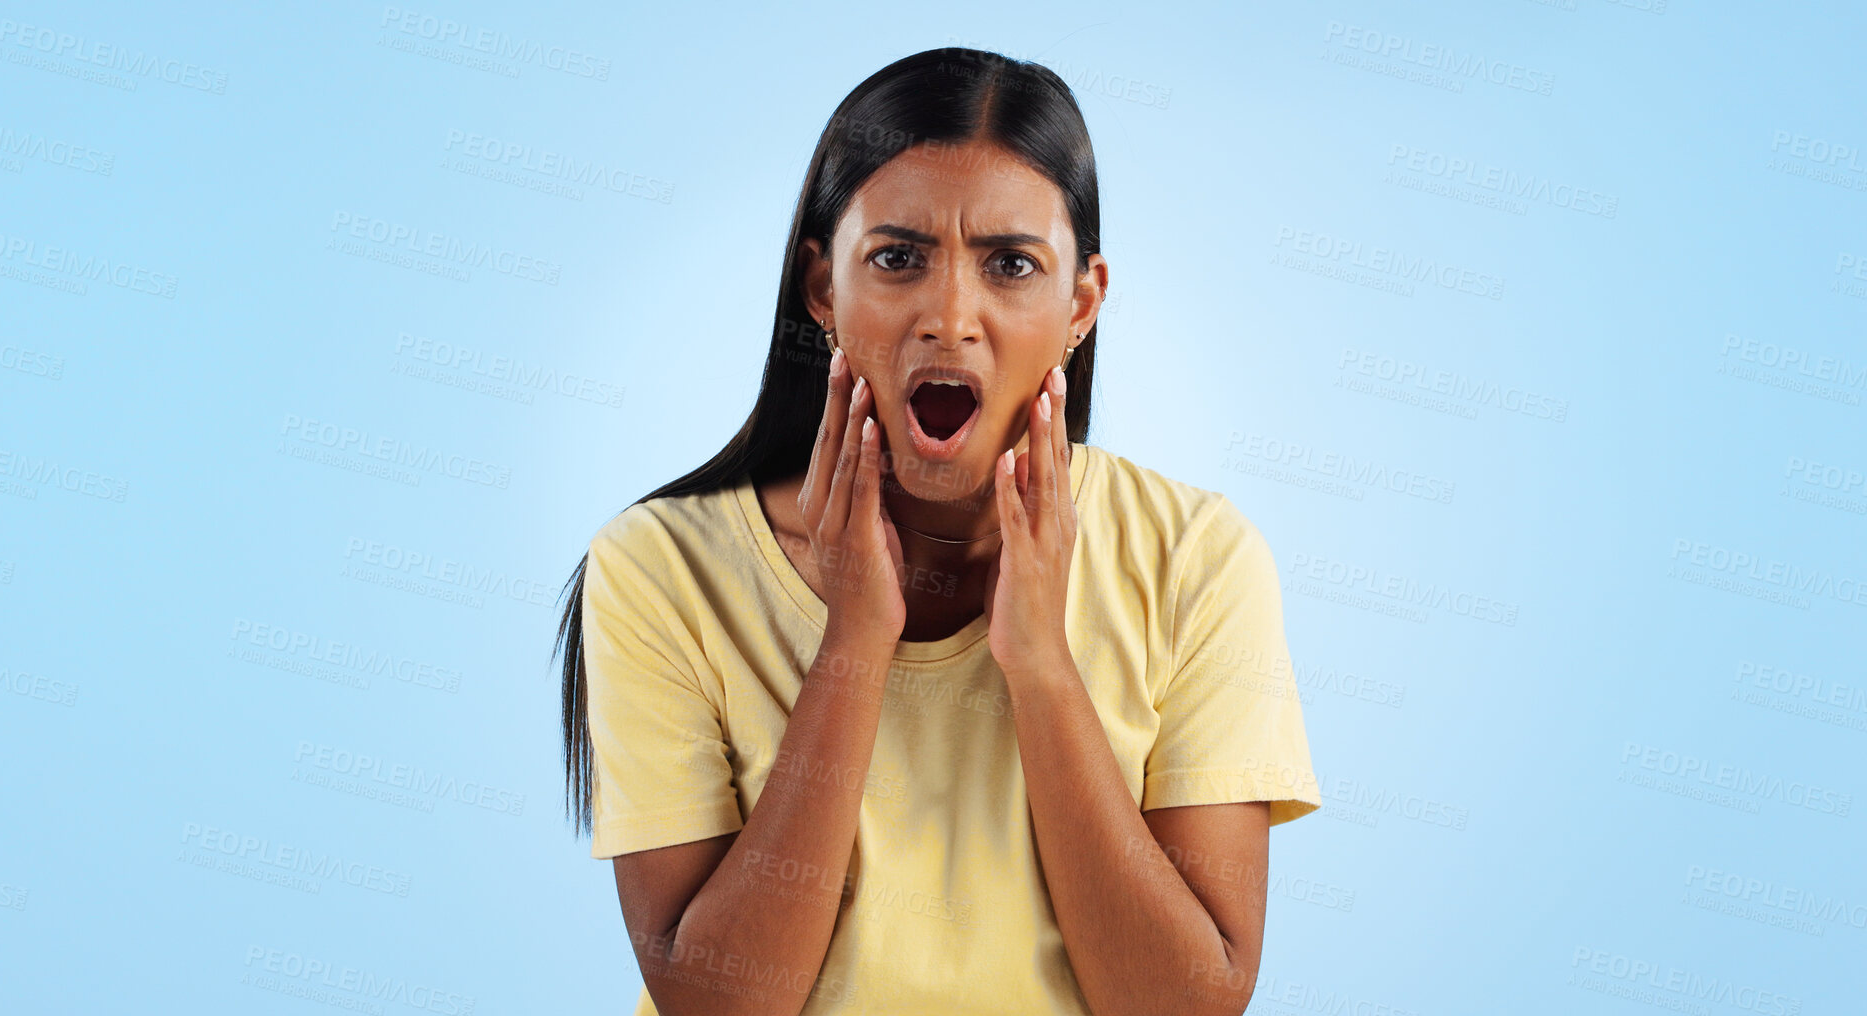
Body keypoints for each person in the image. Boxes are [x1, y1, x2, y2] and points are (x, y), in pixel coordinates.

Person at [552, 46, 1321, 1016]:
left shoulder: (1198, 558)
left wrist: (1040, 658)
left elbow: (1182, 999)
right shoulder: (658, 569)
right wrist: (852, 641)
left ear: (1079, 301)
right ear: (821, 288)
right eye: (897, 257)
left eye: (1009, 263)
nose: (949, 316)